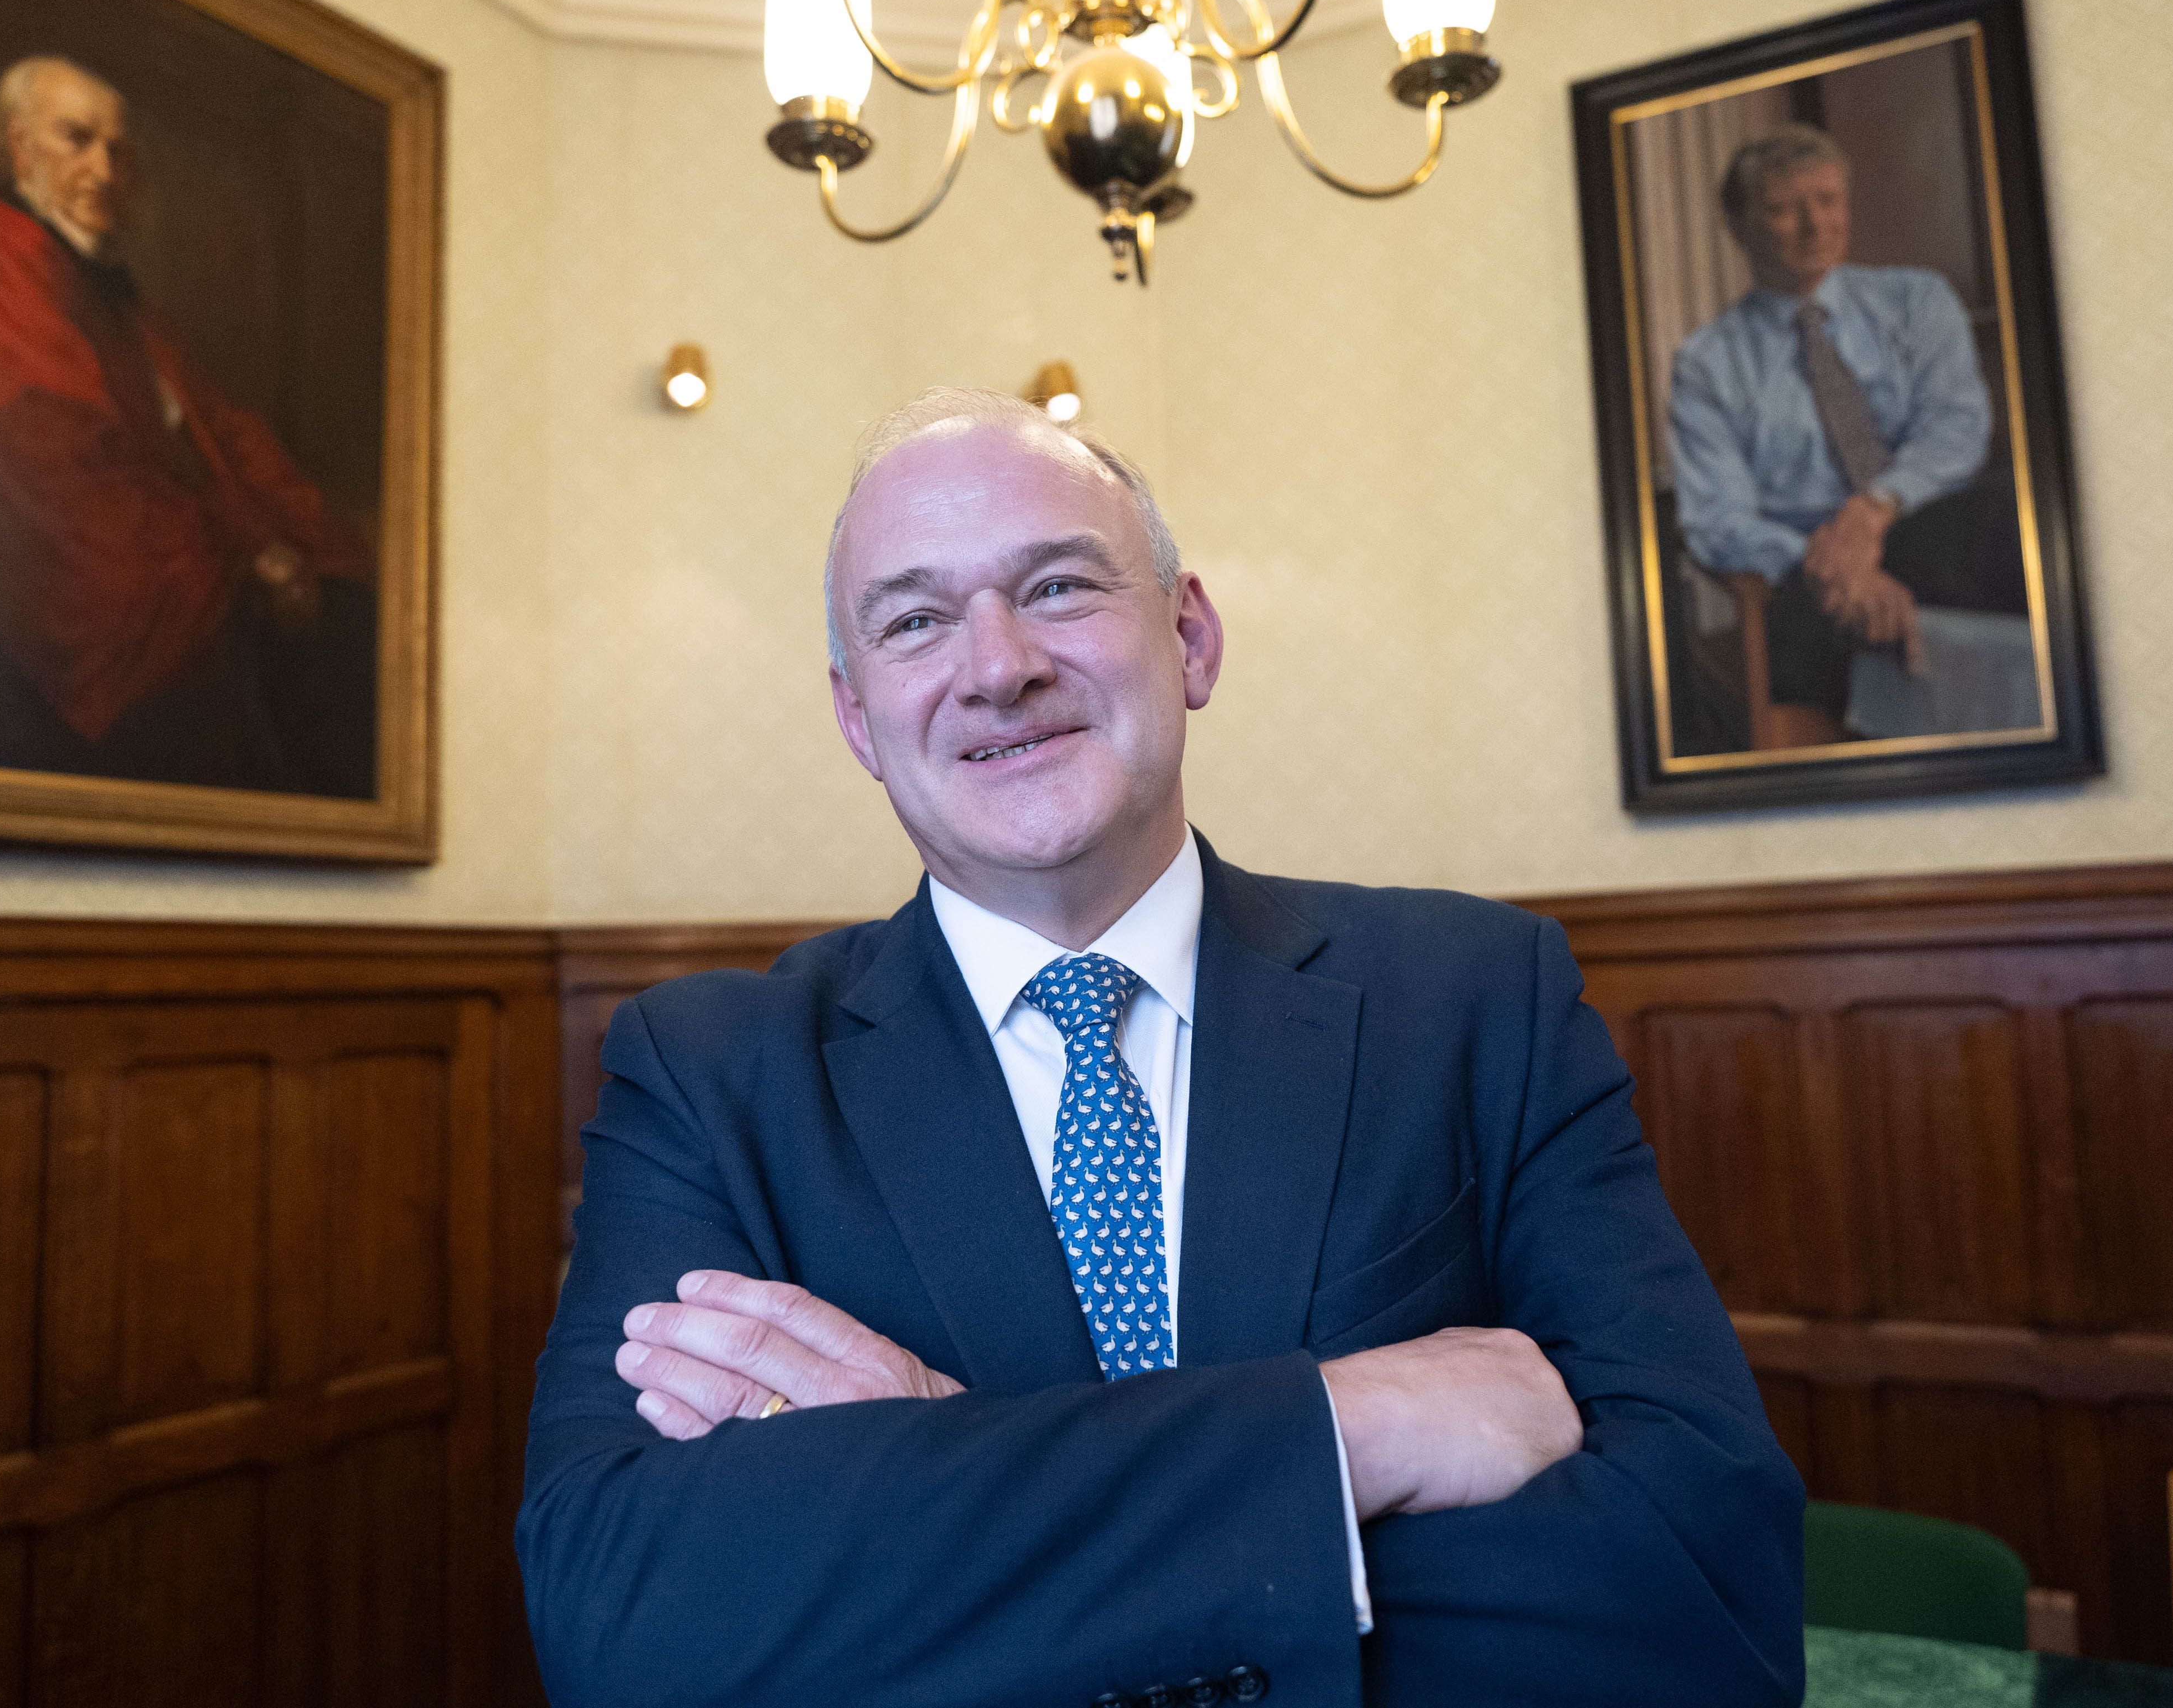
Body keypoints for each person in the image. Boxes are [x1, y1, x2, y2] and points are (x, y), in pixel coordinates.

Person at [516, 388, 1803, 1706]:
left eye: (1060, 587)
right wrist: (1343, 1438)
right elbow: (621, 1622)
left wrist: (936, 1481)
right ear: (859, 721)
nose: (997, 663)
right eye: (914, 621)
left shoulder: (1480, 999)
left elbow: (1704, 1583)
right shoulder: (708, 1073)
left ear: (1189, 637)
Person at [0, 55, 371, 792]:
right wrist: (248, 557)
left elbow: (214, 428)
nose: (105, 171)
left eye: (118, 149)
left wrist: (307, 542)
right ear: (18, 148)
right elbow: (51, 465)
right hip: (109, 596)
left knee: (361, 629)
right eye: (76, 140)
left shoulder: (109, 289)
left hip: (199, 547)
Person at [1665, 123, 2025, 738]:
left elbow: (1957, 426)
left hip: (1929, 516)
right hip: (1806, 566)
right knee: (1799, 628)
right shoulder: (1707, 362)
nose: (1815, 225)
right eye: (1783, 209)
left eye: (1829, 200)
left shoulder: (1917, 299)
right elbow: (1717, 517)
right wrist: (1837, 567)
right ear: (1740, 226)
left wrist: (1874, 509)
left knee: (2026, 515)